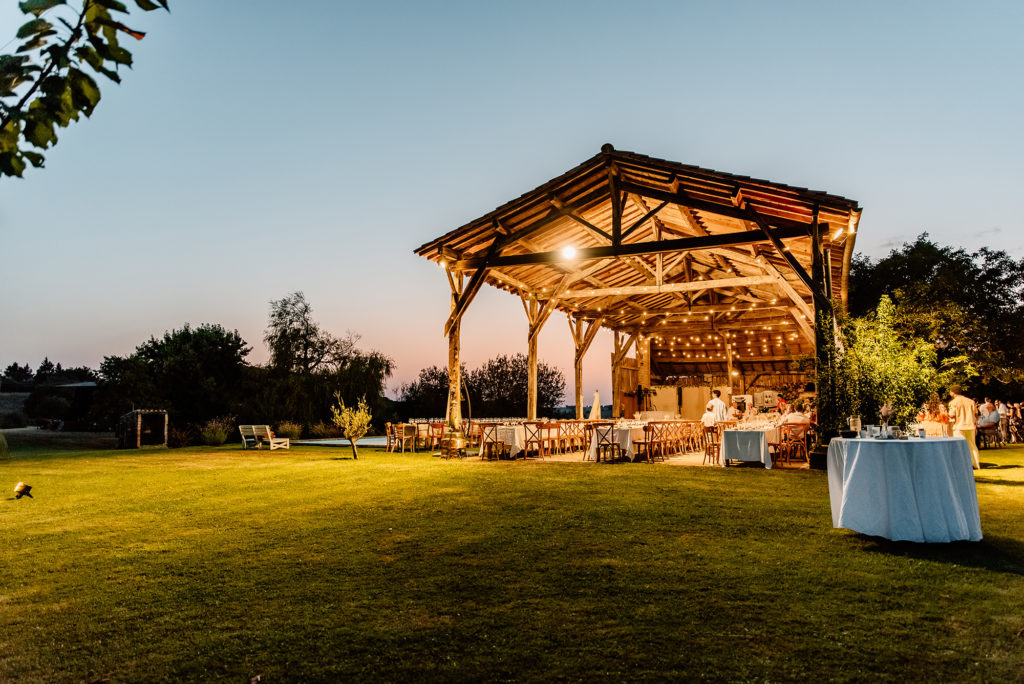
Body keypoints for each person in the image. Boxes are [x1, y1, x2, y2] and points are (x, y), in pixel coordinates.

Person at [948, 385, 980, 469]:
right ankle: (976, 464)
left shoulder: (953, 402)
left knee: (959, 446)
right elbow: (976, 414)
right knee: (972, 445)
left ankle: (961, 465)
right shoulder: (970, 401)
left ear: (953, 392)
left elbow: (951, 415)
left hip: (959, 426)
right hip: (970, 425)